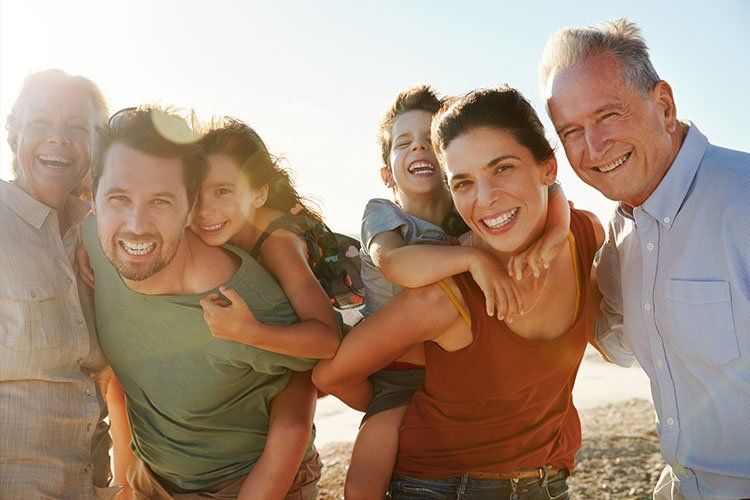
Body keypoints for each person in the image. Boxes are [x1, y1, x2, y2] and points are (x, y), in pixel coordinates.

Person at [314, 86, 605, 499]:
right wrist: (398, 406)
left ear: (548, 168)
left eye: (502, 168)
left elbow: (561, 203)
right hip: (441, 484)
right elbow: (333, 372)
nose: (486, 199)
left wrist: (558, 230)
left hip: (548, 483)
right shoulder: (437, 284)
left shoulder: (583, 235)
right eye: (465, 181)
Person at [541, 18, 750, 499]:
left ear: (664, 105)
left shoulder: (742, 200)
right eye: (571, 130)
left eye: (608, 115)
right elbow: (620, 347)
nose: (593, 147)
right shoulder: (620, 236)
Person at [81, 106, 320, 498]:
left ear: (191, 207)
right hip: (153, 478)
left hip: (250, 480)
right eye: (119, 198)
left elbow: (305, 379)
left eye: (160, 201)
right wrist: (125, 482)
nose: (136, 224)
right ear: (93, 200)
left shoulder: (241, 302)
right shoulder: (94, 240)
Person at [0, 69, 119, 498]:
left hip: (92, 484)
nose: (59, 138)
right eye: (40, 124)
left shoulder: (106, 235)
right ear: (13, 135)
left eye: (76, 128)